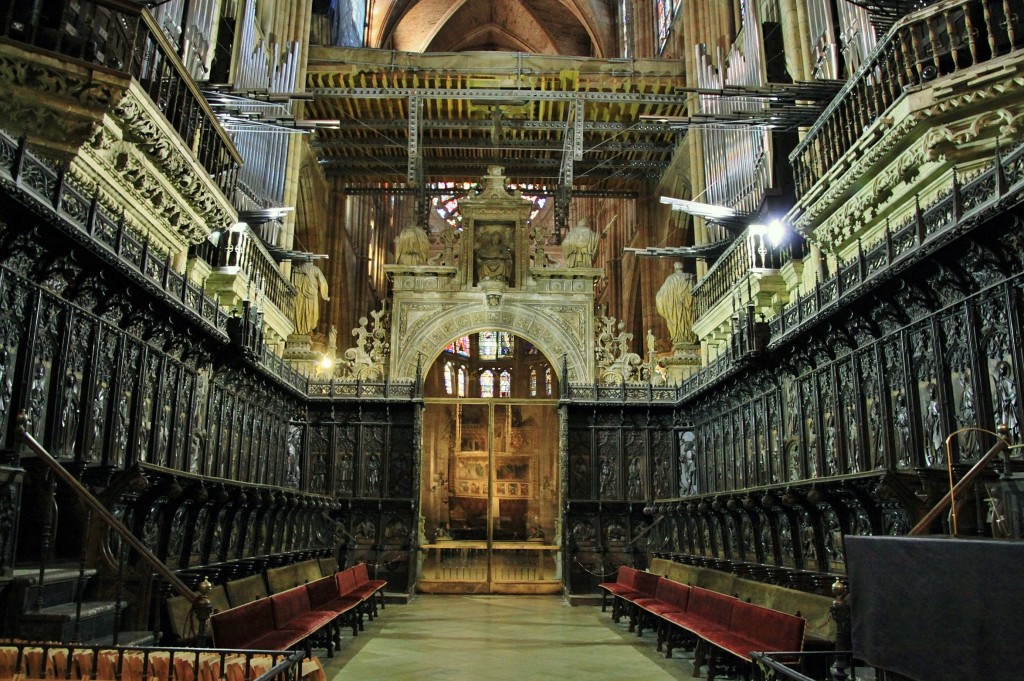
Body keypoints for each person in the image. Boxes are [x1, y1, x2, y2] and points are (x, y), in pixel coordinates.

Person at [655, 262, 696, 348]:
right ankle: (688, 336)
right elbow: (694, 292)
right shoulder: (689, 276)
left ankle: (679, 337)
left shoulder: (670, 279)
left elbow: (662, 295)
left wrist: (659, 296)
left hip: (675, 310)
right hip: (687, 309)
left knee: (678, 323)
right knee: (686, 321)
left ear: (675, 268)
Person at [292, 260, 330, 335]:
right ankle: (306, 329)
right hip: (311, 294)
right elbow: (322, 282)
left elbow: (294, 283)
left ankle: (298, 328)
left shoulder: (297, 269)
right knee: (311, 311)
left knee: (300, 309)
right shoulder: (314, 269)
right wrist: (325, 295)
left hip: (299, 295)